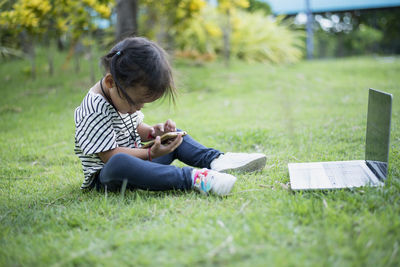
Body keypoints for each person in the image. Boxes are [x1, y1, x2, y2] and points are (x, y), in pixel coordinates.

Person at [74, 37, 266, 196]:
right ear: (110, 82)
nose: (139, 107)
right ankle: (194, 179)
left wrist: (153, 133)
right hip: (108, 177)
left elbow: (134, 127)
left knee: (176, 137)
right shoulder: (94, 108)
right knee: (119, 163)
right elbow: (110, 155)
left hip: (139, 161)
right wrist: (149, 154)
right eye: (135, 102)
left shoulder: (120, 98)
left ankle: (217, 161)